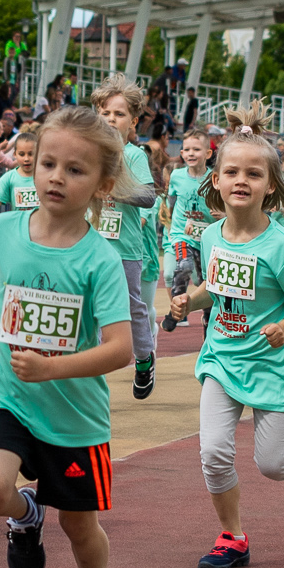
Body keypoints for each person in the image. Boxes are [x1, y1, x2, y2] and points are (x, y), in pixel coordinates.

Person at [0, 103, 134, 568]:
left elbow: (121, 349)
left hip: (74, 419)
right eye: (47, 164)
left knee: (80, 529)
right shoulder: (5, 230)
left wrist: (53, 367)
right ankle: (25, 513)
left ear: (102, 185)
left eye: (75, 170)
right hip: (10, 397)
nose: (56, 177)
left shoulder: (99, 259)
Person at [170, 110, 284, 568]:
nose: (241, 180)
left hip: (269, 365)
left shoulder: (282, 247)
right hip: (221, 358)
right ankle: (233, 537)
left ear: (270, 186)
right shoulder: (209, 235)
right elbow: (216, 287)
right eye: (232, 172)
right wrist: (191, 300)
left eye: (253, 173)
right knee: (213, 453)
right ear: (215, 181)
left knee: (276, 467)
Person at [87, 75, 163, 399]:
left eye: (118, 114)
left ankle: (144, 359)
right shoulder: (88, 152)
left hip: (126, 250)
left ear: (133, 121)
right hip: (90, 245)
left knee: (133, 308)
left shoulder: (133, 155)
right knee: (87, 307)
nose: (111, 120)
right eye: (105, 113)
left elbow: (148, 196)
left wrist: (114, 188)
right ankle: (89, 370)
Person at [158, 128, 213, 331]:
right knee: (184, 266)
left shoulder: (214, 179)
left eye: (196, 149)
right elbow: (174, 202)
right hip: (183, 235)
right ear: (181, 153)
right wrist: (179, 222)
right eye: (186, 149)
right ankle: (175, 312)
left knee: (205, 281)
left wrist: (217, 216)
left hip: (206, 239)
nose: (191, 153)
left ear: (207, 154)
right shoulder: (177, 176)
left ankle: (208, 320)